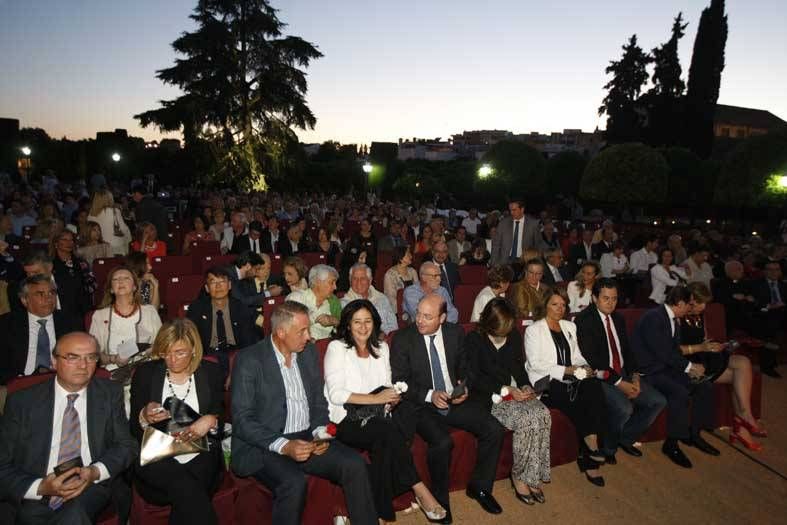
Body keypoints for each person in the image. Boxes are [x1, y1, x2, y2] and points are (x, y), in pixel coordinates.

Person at [230, 301, 378, 525]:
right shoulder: (250, 360)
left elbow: (318, 402)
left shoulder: (307, 352)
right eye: (302, 331)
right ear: (281, 332)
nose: (309, 336)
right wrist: (284, 445)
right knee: (294, 483)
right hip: (264, 444)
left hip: (307, 436)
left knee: (354, 464)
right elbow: (242, 420)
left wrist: (320, 432)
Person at [324, 299, 446, 523]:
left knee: (387, 437)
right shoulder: (337, 348)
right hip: (346, 419)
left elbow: (388, 384)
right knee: (386, 433)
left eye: (367, 321)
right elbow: (336, 394)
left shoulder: (382, 348)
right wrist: (376, 398)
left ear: (375, 323)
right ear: (348, 325)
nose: (362, 327)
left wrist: (391, 397)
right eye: (357, 322)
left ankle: (379, 512)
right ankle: (419, 488)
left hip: (379, 415)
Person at [0, 331, 137, 525]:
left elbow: (126, 446)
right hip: (37, 485)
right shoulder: (22, 402)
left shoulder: (109, 393)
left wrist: (94, 472)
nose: (83, 365)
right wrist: (41, 487)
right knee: (31, 517)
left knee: (74, 514)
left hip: (90, 486)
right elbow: (3, 463)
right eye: (73, 357)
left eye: (91, 357)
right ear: (54, 362)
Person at [390, 293, 506, 522]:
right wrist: (430, 395)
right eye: (418, 314)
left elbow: (467, 367)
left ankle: (480, 487)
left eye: (427, 316)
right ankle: (440, 499)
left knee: (494, 429)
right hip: (422, 405)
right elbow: (400, 381)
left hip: (453, 400)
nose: (419, 320)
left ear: (442, 318)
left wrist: (463, 387)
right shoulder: (403, 338)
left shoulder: (455, 333)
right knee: (442, 442)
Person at [129, 319, 224, 525]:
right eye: (165, 353)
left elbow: (220, 418)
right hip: (157, 454)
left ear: (193, 349)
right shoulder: (146, 374)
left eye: (179, 352)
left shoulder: (210, 372)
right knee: (189, 488)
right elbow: (132, 429)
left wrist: (210, 420)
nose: (171, 360)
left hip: (201, 451)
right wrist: (144, 416)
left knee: (189, 488)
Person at [466, 298, 551, 504]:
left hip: (512, 391)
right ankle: (519, 476)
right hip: (489, 397)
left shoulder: (512, 335)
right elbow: (474, 379)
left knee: (543, 414)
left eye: (509, 327)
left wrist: (524, 385)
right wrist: (506, 389)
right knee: (526, 420)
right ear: (489, 322)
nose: (506, 331)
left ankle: (532, 475)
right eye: (502, 328)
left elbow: (518, 366)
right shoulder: (473, 340)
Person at [575, 279, 666, 463]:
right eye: (606, 298)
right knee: (624, 408)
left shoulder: (618, 318)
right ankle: (608, 448)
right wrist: (620, 383)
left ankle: (625, 438)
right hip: (600, 377)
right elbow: (594, 360)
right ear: (594, 298)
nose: (611, 303)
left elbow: (627, 350)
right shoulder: (584, 320)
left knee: (657, 401)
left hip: (623, 372)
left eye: (614, 299)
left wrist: (635, 376)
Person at [525, 288, 607, 486]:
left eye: (563, 305)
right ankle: (590, 453)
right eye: (555, 304)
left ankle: (591, 446)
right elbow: (535, 364)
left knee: (595, 389)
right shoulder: (534, 330)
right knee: (574, 401)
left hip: (573, 376)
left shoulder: (570, 326)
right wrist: (566, 370)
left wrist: (584, 366)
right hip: (547, 381)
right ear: (545, 305)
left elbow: (577, 354)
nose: (560, 309)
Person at [630, 286, 719, 469]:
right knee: (679, 392)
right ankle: (672, 444)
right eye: (689, 304)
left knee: (704, 386)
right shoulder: (654, 318)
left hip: (665, 367)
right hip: (649, 371)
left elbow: (673, 351)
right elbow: (663, 352)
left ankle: (693, 434)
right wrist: (689, 367)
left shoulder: (673, 318)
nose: (691, 308)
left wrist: (690, 367)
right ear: (679, 304)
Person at [680, 282, 765, 450]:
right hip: (690, 364)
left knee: (743, 363)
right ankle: (742, 422)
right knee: (739, 374)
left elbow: (700, 341)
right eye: (700, 303)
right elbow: (673, 350)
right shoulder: (678, 316)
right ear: (690, 300)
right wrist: (703, 347)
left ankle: (742, 419)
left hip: (704, 357)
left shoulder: (697, 316)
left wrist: (713, 346)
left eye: (704, 303)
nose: (704, 307)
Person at [0, 275, 82, 384]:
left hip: (60, 382)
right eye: (40, 294)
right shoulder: (6, 324)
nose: (48, 298)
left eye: (52, 293)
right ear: (25, 300)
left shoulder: (71, 322)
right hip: (20, 383)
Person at [186, 266, 260, 376]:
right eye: (213, 282)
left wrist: (235, 368)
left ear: (229, 285)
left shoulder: (240, 308)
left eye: (222, 281)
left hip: (236, 357)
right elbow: (191, 340)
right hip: (208, 359)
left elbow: (248, 342)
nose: (218, 286)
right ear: (207, 288)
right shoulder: (196, 309)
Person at [89, 267, 162, 369]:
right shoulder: (100, 316)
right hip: (112, 374)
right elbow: (92, 354)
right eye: (115, 279)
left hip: (145, 370)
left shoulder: (150, 312)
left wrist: (148, 352)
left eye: (126, 278)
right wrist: (113, 359)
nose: (120, 281)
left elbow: (162, 345)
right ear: (111, 289)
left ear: (135, 287)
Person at [749, 261, 786, 378]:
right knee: (769, 326)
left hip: (783, 313)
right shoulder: (756, 284)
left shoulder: (784, 284)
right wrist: (769, 306)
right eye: (770, 269)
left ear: (780, 271)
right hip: (764, 314)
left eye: (776, 269)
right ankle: (767, 366)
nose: (774, 272)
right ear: (765, 271)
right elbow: (753, 302)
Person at [286, 264, 341, 340]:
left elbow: (342, 332)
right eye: (332, 283)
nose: (335, 287)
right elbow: (289, 329)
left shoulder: (329, 304)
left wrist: (335, 321)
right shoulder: (297, 298)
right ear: (318, 282)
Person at [49, 230, 96, 319]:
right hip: (60, 307)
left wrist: (81, 289)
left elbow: (93, 283)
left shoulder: (81, 262)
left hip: (81, 305)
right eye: (65, 240)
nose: (69, 243)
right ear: (56, 243)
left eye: (71, 240)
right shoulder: (50, 264)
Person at [340, 264, 398, 335]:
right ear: (350, 281)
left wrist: (387, 336)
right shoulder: (345, 304)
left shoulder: (382, 298)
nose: (358, 282)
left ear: (370, 280)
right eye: (355, 278)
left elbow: (394, 325)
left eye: (363, 278)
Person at [490, 198, 539, 266]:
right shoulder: (503, 223)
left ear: (522, 209)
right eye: (510, 210)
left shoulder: (533, 224)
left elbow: (538, 244)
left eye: (514, 210)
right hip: (505, 262)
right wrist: (493, 263)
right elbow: (496, 245)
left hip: (524, 262)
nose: (511, 213)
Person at [87, 189, 131, 256]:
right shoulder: (114, 211)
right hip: (115, 246)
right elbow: (123, 229)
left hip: (99, 246)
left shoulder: (91, 214)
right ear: (110, 199)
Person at [383, 246, 418, 312]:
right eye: (408, 254)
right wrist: (405, 309)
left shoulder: (412, 271)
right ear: (400, 258)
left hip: (414, 307)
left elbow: (417, 292)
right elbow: (391, 299)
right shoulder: (390, 274)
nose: (411, 256)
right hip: (398, 310)